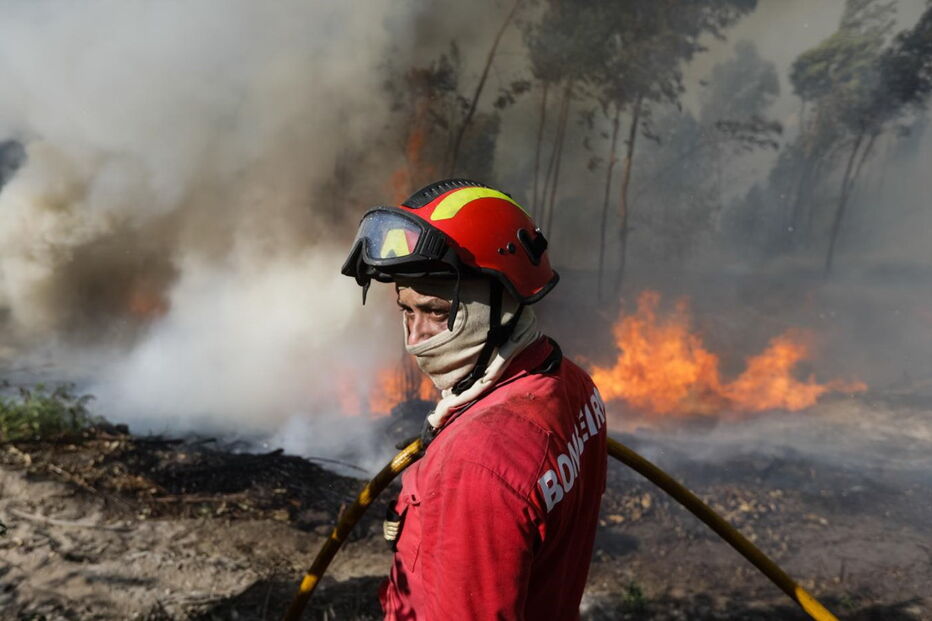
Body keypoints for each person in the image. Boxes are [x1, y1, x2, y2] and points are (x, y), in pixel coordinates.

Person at [342, 178, 608, 620]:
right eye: (406, 309)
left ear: (504, 301)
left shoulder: (475, 463)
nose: (416, 338)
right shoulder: (571, 382)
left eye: (437, 311)